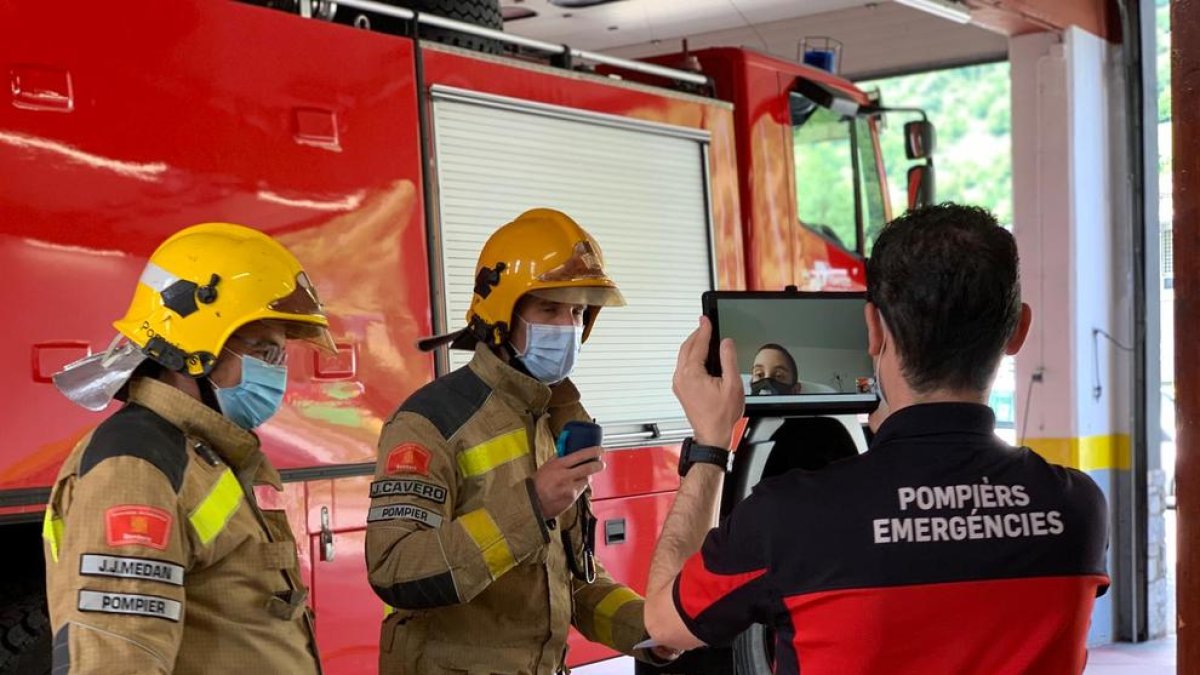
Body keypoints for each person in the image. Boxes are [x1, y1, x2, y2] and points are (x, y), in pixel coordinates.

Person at [643, 204, 1109, 674]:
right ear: (1018, 331)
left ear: (873, 328)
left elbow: (664, 625)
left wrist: (711, 445)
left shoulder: (788, 515)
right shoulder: (1077, 507)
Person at [365, 208, 673, 674]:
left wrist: (648, 629)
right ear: (501, 315)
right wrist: (531, 506)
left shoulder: (556, 418)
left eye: (577, 312)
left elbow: (569, 581)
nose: (567, 327)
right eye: (549, 309)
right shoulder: (430, 422)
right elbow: (394, 569)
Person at [44, 223, 333, 673]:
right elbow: (118, 659)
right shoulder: (136, 467)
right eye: (266, 352)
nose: (278, 372)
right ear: (197, 347)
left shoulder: (198, 452)